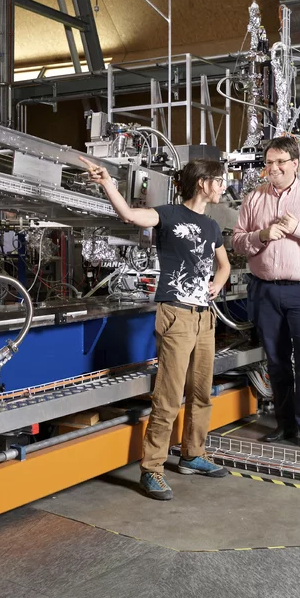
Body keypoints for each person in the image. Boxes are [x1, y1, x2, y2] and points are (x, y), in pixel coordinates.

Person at [80, 155, 231, 501]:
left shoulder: (211, 226)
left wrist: (218, 284)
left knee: (201, 392)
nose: (223, 187)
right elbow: (129, 215)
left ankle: (192, 454)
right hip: (176, 315)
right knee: (169, 395)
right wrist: (108, 183)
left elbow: (223, 264)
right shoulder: (169, 214)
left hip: (204, 317)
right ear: (203, 183)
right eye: (219, 181)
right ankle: (152, 469)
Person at [232, 135, 300, 453]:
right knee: (277, 361)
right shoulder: (254, 198)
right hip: (265, 291)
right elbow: (237, 242)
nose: (274, 167)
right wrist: (261, 235)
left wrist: (299, 230)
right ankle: (285, 424)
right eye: (269, 162)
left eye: (280, 162)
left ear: (295, 163)